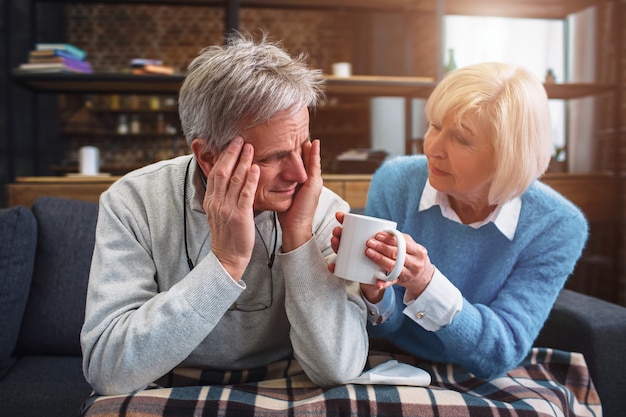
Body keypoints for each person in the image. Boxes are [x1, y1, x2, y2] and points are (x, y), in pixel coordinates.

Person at [80, 32, 369, 396]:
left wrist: (299, 238)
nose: (299, 174)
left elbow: (337, 367)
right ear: (208, 157)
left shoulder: (321, 207)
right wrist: (226, 262)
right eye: (272, 157)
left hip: (283, 385)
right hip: (168, 385)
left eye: (302, 147)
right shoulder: (133, 202)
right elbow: (109, 370)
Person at [332, 62, 588, 380]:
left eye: (462, 139)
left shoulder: (556, 225)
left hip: (478, 373)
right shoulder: (395, 181)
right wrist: (373, 290)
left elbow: (499, 354)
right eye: (435, 126)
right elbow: (389, 327)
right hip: (394, 361)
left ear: (509, 156)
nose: (432, 149)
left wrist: (426, 282)